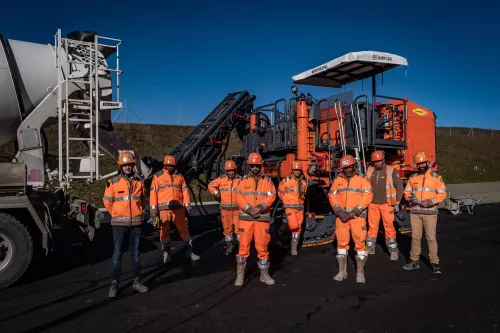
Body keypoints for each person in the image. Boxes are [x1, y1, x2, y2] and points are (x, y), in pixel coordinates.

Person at [103, 151, 149, 298]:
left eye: (130, 164)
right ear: (121, 166)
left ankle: (136, 282)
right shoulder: (113, 182)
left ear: (133, 165)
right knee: (117, 255)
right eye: (125, 165)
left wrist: (138, 212)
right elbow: (107, 202)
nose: (128, 167)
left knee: (135, 255)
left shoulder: (139, 182)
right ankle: (114, 284)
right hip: (118, 225)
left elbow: (142, 200)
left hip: (136, 224)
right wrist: (117, 215)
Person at [328, 155, 373, 283]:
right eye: (345, 167)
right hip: (341, 218)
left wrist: (355, 211)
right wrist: (339, 211)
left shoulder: (362, 179)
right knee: (341, 244)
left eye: (349, 167)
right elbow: (332, 195)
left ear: (354, 166)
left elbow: (368, 196)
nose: (347, 170)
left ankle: (360, 274)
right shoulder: (338, 181)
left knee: (360, 244)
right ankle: (342, 272)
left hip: (357, 218)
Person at [234, 152, 277, 286]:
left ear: (260, 166)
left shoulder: (268, 181)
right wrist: (249, 209)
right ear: (249, 166)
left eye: (257, 165)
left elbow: (272, 197)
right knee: (243, 247)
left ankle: (264, 274)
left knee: (262, 247)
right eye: (252, 166)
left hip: (261, 219)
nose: (255, 168)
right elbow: (239, 196)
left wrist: (258, 208)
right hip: (246, 220)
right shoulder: (243, 181)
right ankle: (240, 275)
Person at [149, 155, 200, 264]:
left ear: (174, 166)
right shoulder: (157, 177)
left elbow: (185, 192)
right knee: (164, 232)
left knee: (184, 230)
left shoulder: (179, 177)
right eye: (167, 165)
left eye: (171, 166)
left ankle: (189, 252)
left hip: (178, 209)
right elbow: (153, 194)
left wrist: (187, 206)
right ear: (164, 165)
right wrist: (153, 210)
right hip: (164, 210)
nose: (169, 167)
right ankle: (166, 253)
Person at [403, 152, 447, 274]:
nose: (421, 165)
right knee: (415, 238)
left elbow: (442, 194)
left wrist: (430, 202)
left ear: (427, 162)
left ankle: (435, 263)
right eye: (418, 164)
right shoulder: (413, 178)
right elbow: (406, 192)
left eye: (423, 163)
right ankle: (414, 261)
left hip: (430, 213)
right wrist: (410, 198)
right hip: (415, 213)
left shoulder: (436, 177)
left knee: (431, 238)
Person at [365, 150, 404, 260]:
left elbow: (399, 187)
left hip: (387, 204)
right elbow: (364, 186)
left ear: (383, 160)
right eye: (375, 161)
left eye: (379, 161)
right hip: (372, 204)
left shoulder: (391, 171)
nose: (377, 163)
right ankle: (370, 248)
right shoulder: (370, 170)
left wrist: (397, 202)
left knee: (389, 227)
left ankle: (393, 250)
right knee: (372, 227)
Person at [208, 159, 241, 255]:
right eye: (229, 171)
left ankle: (241, 247)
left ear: (235, 170)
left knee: (239, 229)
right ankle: (229, 246)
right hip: (225, 210)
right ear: (226, 171)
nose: (231, 172)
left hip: (238, 210)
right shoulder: (221, 179)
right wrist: (216, 192)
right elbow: (210, 185)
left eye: (233, 170)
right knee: (227, 229)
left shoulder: (241, 180)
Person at [277, 160, 308, 256]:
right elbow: (280, 193)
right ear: (292, 170)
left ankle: (294, 247)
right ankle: (279, 233)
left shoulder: (303, 183)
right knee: (294, 225)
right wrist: (287, 202)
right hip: (290, 208)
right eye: (295, 170)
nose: (297, 172)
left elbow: (304, 195)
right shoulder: (285, 181)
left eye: (299, 170)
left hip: (300, 209)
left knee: (298, 227)